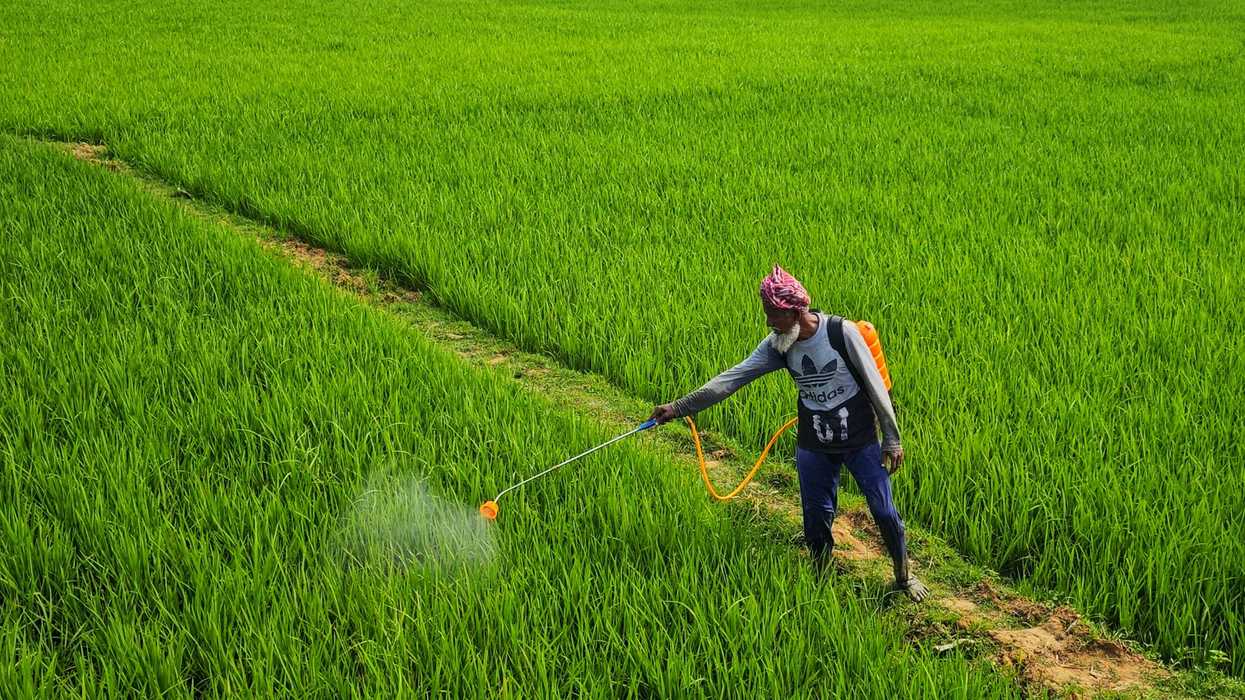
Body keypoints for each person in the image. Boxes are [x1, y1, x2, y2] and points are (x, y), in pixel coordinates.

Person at [650, 265, 930, 602]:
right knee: (815, 517)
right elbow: (732, 378)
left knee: (884, 511)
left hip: (860, 439)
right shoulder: (779, 345)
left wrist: (893, 438)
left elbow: (875, 386)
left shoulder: (842, 333)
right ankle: (820, 573)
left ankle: (903, 576)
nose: (769, 322)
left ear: (796, 311)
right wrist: (679, 407)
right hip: (814, 442)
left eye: (774, 315)